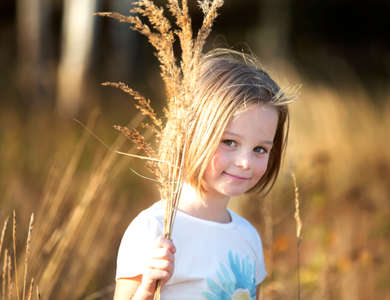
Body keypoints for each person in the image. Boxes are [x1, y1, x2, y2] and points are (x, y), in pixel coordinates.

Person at [113, 49, 290, 300]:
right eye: (229, 142)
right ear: (190, 135)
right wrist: (146, 290)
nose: (245, 162)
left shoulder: (248, 237)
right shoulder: (154, 230)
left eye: (260, 149)